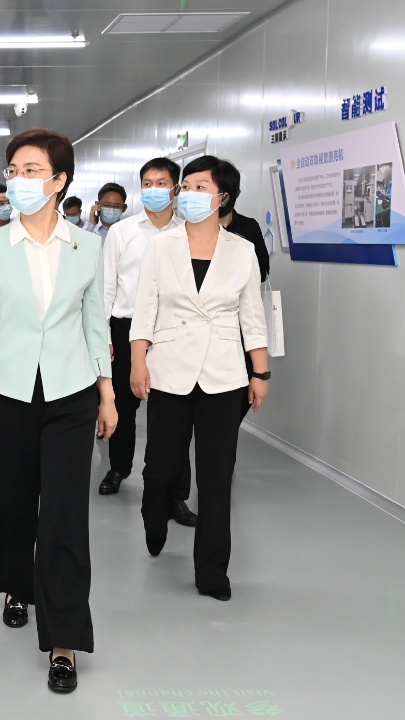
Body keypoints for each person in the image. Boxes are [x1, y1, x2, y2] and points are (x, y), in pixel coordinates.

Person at [0, 128, 117, 693]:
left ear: (59, 180)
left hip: (71, 392)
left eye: (31, 170)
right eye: (13, 170)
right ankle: (18, 585)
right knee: (11, 502)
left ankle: (63, 639)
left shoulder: (87, 246)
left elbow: (95, 323)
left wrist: (107, 394)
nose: (18, 180)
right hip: (9, 391)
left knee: (65, 514)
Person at [129, 155, 269, 602]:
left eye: (199, 187)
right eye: (185, 186)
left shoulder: (242, 250)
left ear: (221, 197)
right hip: (169, 369)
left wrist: (261, 371)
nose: (188, 194)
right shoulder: (161, 246)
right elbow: (145, 308)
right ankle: (155, 516)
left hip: (223, 376)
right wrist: (138, 361)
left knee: (215, 477)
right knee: (161, 467)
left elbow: (252, 316)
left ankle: (212, 573)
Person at [97, 157, 196, 526]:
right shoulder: (122, 232)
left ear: (176, 189)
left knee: (174, 415)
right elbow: (107, 286)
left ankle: (176, 493)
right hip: (125, 330)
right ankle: (118, 468)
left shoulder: (188, 231)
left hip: (170, 332)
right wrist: (103, 335)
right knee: (123, 406)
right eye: (147, 183)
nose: (153, 190)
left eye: (161, 183)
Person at [215, 168, 271, 420]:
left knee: (238, 396)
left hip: (240, 320)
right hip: (210, 320)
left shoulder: (248, 227)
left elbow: (262, 269)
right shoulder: (192, 230)